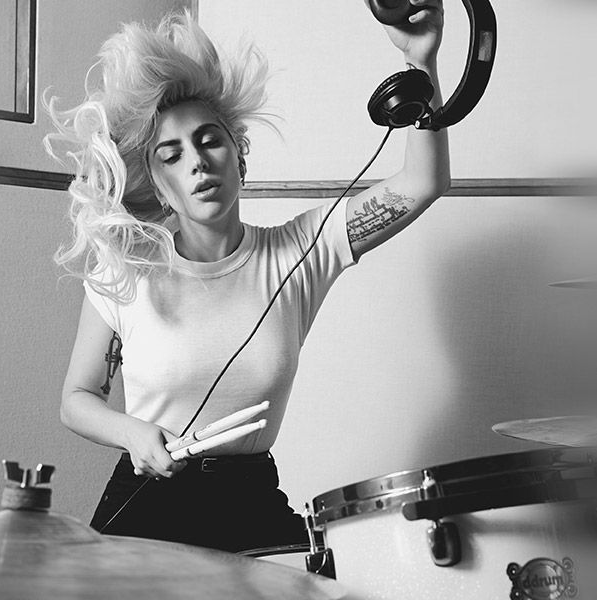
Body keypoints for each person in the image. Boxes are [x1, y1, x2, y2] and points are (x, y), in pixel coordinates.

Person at [45, 4, 449, 553]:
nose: (197, 162)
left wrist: (420, 60)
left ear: (240, 155)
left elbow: (423, 182)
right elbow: (76, 397)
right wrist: (132, 433)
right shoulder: (126, 268)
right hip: (147, 500)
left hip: (250, 499)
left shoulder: (300, 251)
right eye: (172, 155)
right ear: (159, 187)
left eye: (210, 140)